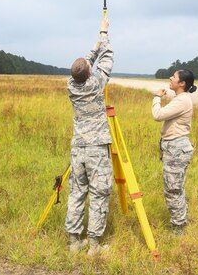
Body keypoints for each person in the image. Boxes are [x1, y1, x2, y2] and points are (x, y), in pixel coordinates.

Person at [64, 16, 114, 256]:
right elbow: (107, 59)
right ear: (89, 72)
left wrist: (96, 42)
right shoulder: (97, 84)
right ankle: (94, 245)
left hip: (78, 149)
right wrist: (104, 34)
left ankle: (74, 242)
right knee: (99, 193)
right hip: (96, 149)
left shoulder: (71, 85)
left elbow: (86, 64)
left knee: (77, 192)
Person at [152, 69, 197, 234]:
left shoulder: (182, 100)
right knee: (176, 187)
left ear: (182, 83)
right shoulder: (180, 99)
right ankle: (181, 221)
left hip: (176, 148)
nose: (170, 78)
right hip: (175, 148)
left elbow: (158, 115)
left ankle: (178, 228)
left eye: (174, 77)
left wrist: (156, 97)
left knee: (173, 189)